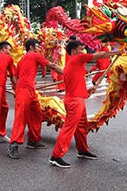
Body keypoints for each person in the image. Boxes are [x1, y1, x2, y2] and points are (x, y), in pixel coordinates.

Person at [49, 40, 122, 168]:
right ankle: (56, 156)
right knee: (69, 128)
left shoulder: (74, 65)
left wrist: (88, 91)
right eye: (80, 49)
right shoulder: (77, 59)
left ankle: (82, 150)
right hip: (74, 101)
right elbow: (99, 55)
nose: (83, 51)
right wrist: (116, 53)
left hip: (77, 99)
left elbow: (76, 84)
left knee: (81, 126)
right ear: (73, 51)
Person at [8, 38, 64, 160]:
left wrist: (20, 87)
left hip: (28, 89)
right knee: (21, 116)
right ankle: (14, 144)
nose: (39, 48)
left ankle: (33, 140)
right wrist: (67, 73)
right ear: (31, 47)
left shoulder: (22, 59)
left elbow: (15, 78)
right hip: (25, 89)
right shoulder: (34, 55)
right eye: (38, 46)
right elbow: (52, 66)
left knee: (36, 113)